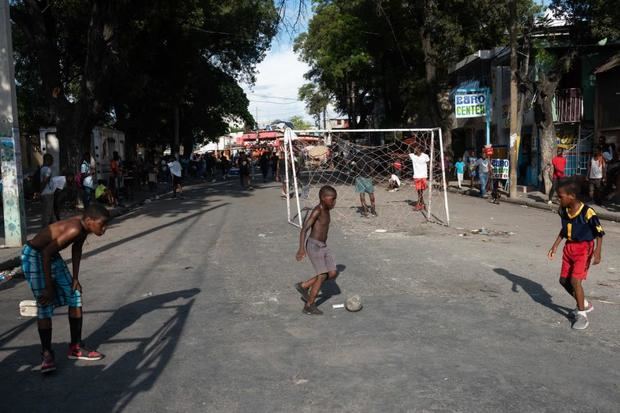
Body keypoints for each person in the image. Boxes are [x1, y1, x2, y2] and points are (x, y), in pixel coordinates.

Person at [21, 204, 111, 373]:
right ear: (90, 220)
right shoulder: (75, 229)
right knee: (45, 303)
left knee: (74, 294)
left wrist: (75, 278)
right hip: (34, 255)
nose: (104, 228)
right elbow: (45, 253)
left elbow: (77, 249)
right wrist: (48, 287)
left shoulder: (84, 227)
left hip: (50, 255)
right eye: (102, 224)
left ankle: (76, 347)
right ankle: (47, 354)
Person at [547, 179, 604, 330]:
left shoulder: (587, 212)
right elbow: (564, 230)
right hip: (569, 248)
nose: (559, 199)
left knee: (575, 281)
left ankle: (582, 314)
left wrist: (597, 252)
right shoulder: (564, 211)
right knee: (563, 280)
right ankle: (584, 303)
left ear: (571, 196)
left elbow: (599, 232)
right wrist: (555, 246)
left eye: (561, 196)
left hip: (584, 249)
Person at [295, 185, 339, 315]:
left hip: (323, 246)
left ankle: (304, 286)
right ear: (323, 198)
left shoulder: (327, 208)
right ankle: (309, 305)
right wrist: (301, 249)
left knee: (332, 273)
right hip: (314, 246)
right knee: (322, 275)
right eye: (332, 200)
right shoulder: (317, 210)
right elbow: (304, 229)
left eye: (335, 199)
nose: (334, 202)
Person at [409, 146, 430, 210]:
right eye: (414, 149)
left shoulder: (425, 156)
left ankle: (419, 204)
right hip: (417, 176)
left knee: (420, 191)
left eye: (416, 149)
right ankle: (422, 204)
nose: (414, 150)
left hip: (423, 176)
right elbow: (402, 155)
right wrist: (394, 154)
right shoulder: (412, 155)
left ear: (420, 150)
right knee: (419, 191)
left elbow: (428, 163)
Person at [40, 154, 56, 227]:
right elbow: (45, 180)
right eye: (51, 160)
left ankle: (55, 226)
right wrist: (41, 191)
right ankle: (45, 229)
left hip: (46, 193)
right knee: (47, 212)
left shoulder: (42, 168)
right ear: (48, 160)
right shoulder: (47, 169)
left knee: (50, 211)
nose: (52, 162)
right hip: (47, 193)